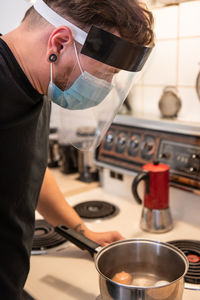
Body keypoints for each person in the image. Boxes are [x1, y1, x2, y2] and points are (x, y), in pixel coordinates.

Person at [0, 0, 154, 299]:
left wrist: (83, 233)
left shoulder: (40, 82)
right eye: (108, 71)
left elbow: (28, 168)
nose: (107, 84)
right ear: (59, 42)